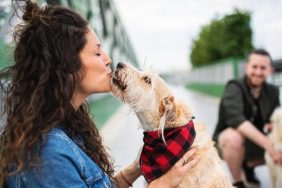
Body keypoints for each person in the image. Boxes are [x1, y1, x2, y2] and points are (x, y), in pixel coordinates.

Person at [0, 1, 200, 187]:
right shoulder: (47, 152)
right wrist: (164, 183)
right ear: (66, 63)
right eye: (97, 53)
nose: (108, 59)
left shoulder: (69, 130)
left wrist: (133, 170)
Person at [213, 49, 282, 188]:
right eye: (254, 67)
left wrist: (271, 125)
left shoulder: (273, 91)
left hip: (257, 143)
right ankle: (238, 181)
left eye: (263, 68)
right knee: (233, 138)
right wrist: (270, 148)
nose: (258, 72)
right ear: (246, 67)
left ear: (270, 70)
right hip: (228, 144)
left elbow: (275, 119)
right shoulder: (234, 87)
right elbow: (237, 120)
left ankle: (249, 169)